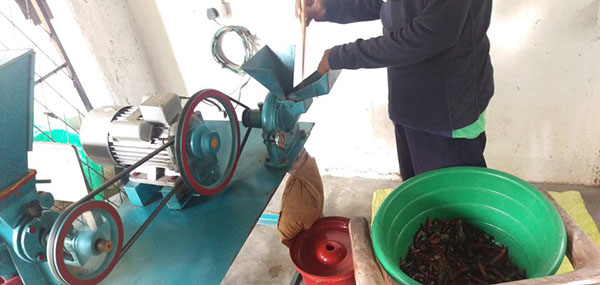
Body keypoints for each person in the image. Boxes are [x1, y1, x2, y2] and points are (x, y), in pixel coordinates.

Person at [297, 0, 494, 180]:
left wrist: (342, 56)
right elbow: (394, 7)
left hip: (448, 110)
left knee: (453, 205)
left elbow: (431, 34)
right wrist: (329, 8)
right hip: (409, 100)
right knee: (418, 194)